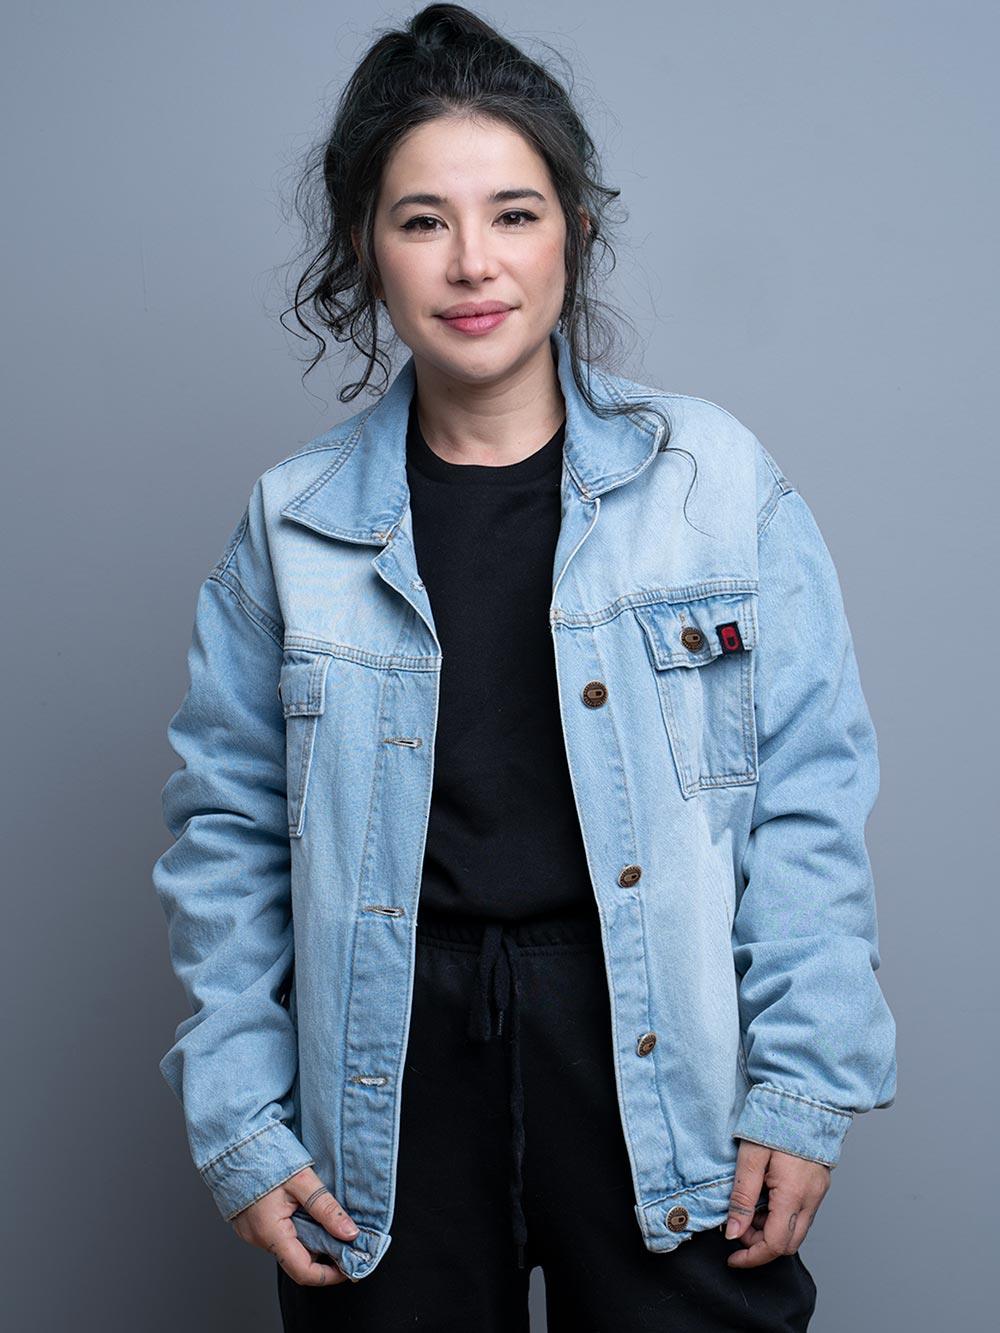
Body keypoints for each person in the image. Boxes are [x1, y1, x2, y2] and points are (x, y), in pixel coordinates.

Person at [152, 6, 897, 1330]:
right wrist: (241, 1122)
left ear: (575, 232)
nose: (472, 262)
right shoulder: (294, 526)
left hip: (658, 1051)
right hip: (388, 1070)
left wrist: (804, 1085)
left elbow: (809, 797)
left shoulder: (715, 486)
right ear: (366, 249)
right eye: (421, 220)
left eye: (513, 213)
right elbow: (226, 834)